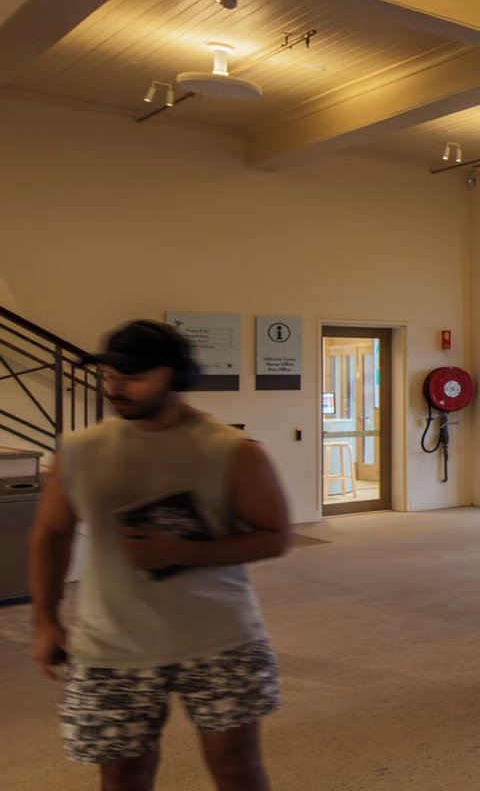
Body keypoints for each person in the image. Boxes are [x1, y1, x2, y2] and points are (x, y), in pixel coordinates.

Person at [28, 319, 291, 790]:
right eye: (109, 375)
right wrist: (46, 619)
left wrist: (184, 551)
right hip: (111, 645)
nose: (115, 387)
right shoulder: (78, 451)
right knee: (124, 776)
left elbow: (276, 536)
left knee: (238, 771)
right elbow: (51, 535)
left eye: (132, 375)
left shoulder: (233, 450)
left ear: (175, 375)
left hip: (222, 640)